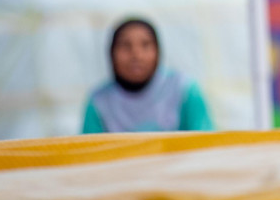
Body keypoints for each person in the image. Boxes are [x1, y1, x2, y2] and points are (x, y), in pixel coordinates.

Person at [81, 18, 213, 134]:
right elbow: (88, 155)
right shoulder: (99, 101)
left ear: (158, 51)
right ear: (111, 53)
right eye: (125, 46)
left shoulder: (184, 89)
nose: (136, 55)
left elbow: (207, 145)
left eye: (145, 45)